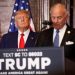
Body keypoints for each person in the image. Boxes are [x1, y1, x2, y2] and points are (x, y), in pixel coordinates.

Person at [36, 3, 75, 75]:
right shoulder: (43, 35)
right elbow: (36, 55)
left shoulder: (74, 33)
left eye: (59, 17)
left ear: (66, 17)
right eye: (53, 17)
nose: (56, 21)